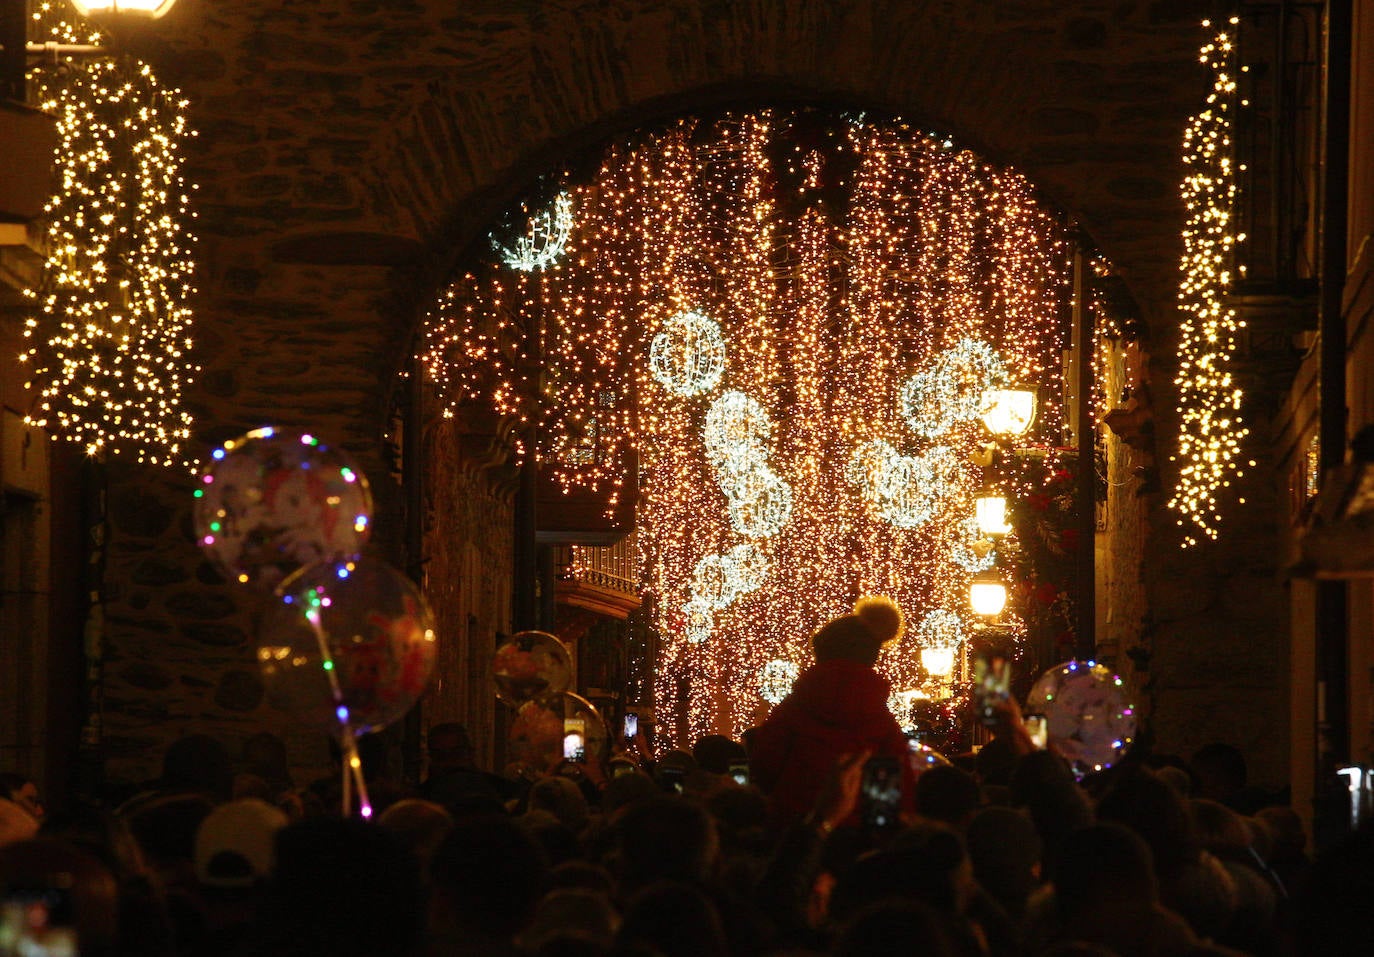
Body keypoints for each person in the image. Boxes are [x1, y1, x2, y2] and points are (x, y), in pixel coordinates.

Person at [747, 596, 910, 821]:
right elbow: (891, 793)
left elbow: (763, 769)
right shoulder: (880, 720)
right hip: (856, 832)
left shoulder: (792, 711)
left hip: (795, 829)